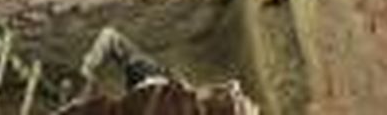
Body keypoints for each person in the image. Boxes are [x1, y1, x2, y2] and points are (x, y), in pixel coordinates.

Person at [57, 27, 258, 114]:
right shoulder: (172, 92)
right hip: (153, 85)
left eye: (234, 97)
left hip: (150, 86)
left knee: (112, 38)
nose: (234, 84)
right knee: (112, 39)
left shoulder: (159, 95)